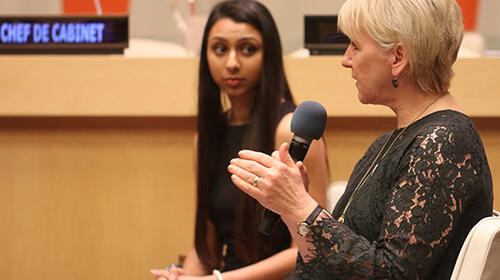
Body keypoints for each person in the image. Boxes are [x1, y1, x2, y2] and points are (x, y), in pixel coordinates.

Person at [227, 0, 494, 279]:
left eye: (355, 45)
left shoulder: (443, 143)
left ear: (398, 58)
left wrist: (300, 206)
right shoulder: (391, 142)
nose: (346, 59)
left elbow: (390, 275)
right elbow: (329, 265)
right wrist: (292, 209)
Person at [151, 1, 329, 279]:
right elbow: (205, 245)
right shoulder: (206, 137)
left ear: (268, 55)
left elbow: (312, 248)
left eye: (248, 49)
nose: (232, 63)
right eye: (220, 49)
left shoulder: (290, 133)